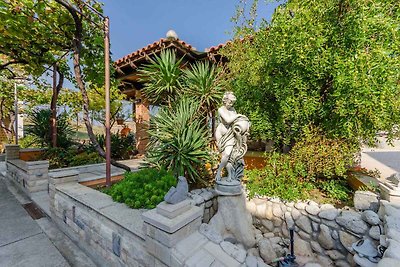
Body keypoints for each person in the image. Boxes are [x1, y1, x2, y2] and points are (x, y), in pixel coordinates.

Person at [215, 92, 249, 182]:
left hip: (230, 133)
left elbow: (235, 121)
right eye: (230, 102)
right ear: (225, 101)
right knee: (225, 155)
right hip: (221, 134)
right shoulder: (221, 109)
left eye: (232, 102)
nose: (231, 104)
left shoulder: (233, 109)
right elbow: (228, 120)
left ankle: (229, 174)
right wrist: (238, 115)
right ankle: (219, 172)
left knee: (228, 155)